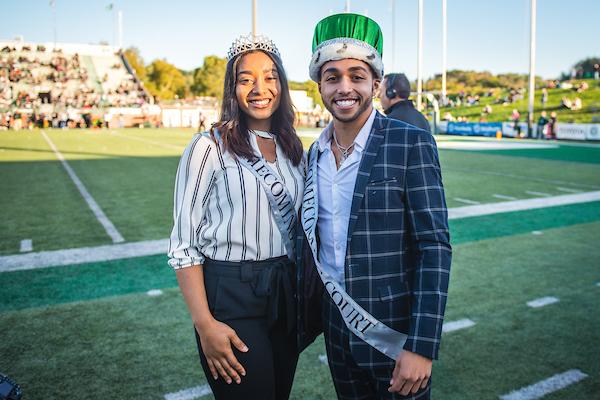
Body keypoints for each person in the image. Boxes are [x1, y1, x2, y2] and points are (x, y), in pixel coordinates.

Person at [298, 13, 451, 400]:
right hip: (337, 328)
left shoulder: (410, 142)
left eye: (356, 75)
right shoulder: (312, 154)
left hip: (395, 335)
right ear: (320, 86)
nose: (344, 87)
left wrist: (421, 346)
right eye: (332, 77)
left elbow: (434, 248)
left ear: (376, 83)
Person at [168, 33, 305, 400]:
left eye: (270, 76)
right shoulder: (208, 146)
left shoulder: (294, 147)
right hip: (231, 296)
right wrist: (204, 325)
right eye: (246, 78)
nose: (260, 88)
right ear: (232, 87)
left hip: (283, 293)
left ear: (282, 84)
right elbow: (183, 246)